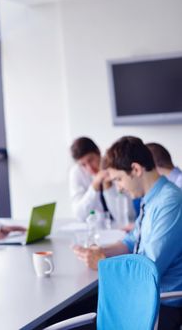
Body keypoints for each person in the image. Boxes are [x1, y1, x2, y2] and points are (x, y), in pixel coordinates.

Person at [73, 136, 182, 329]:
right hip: (143, 297)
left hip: (159, 306)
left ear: (136, 170)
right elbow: (131, 242)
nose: (119, 188)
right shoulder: (152, 198)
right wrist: (101, 251)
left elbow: (149, 269)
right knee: (77, 310)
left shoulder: (170, 202)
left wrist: (102, 263)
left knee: (76, 317)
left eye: (119, 180)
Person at [69, 137, 135, 228]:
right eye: (83, 164)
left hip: (122, 228)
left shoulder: (116, 167)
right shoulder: (76, 172)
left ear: (98, 151)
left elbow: (126, 215)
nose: (89, 168)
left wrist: (108, 187)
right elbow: (79, 215)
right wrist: (94, 187)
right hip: (95, 229)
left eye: (90, 160)